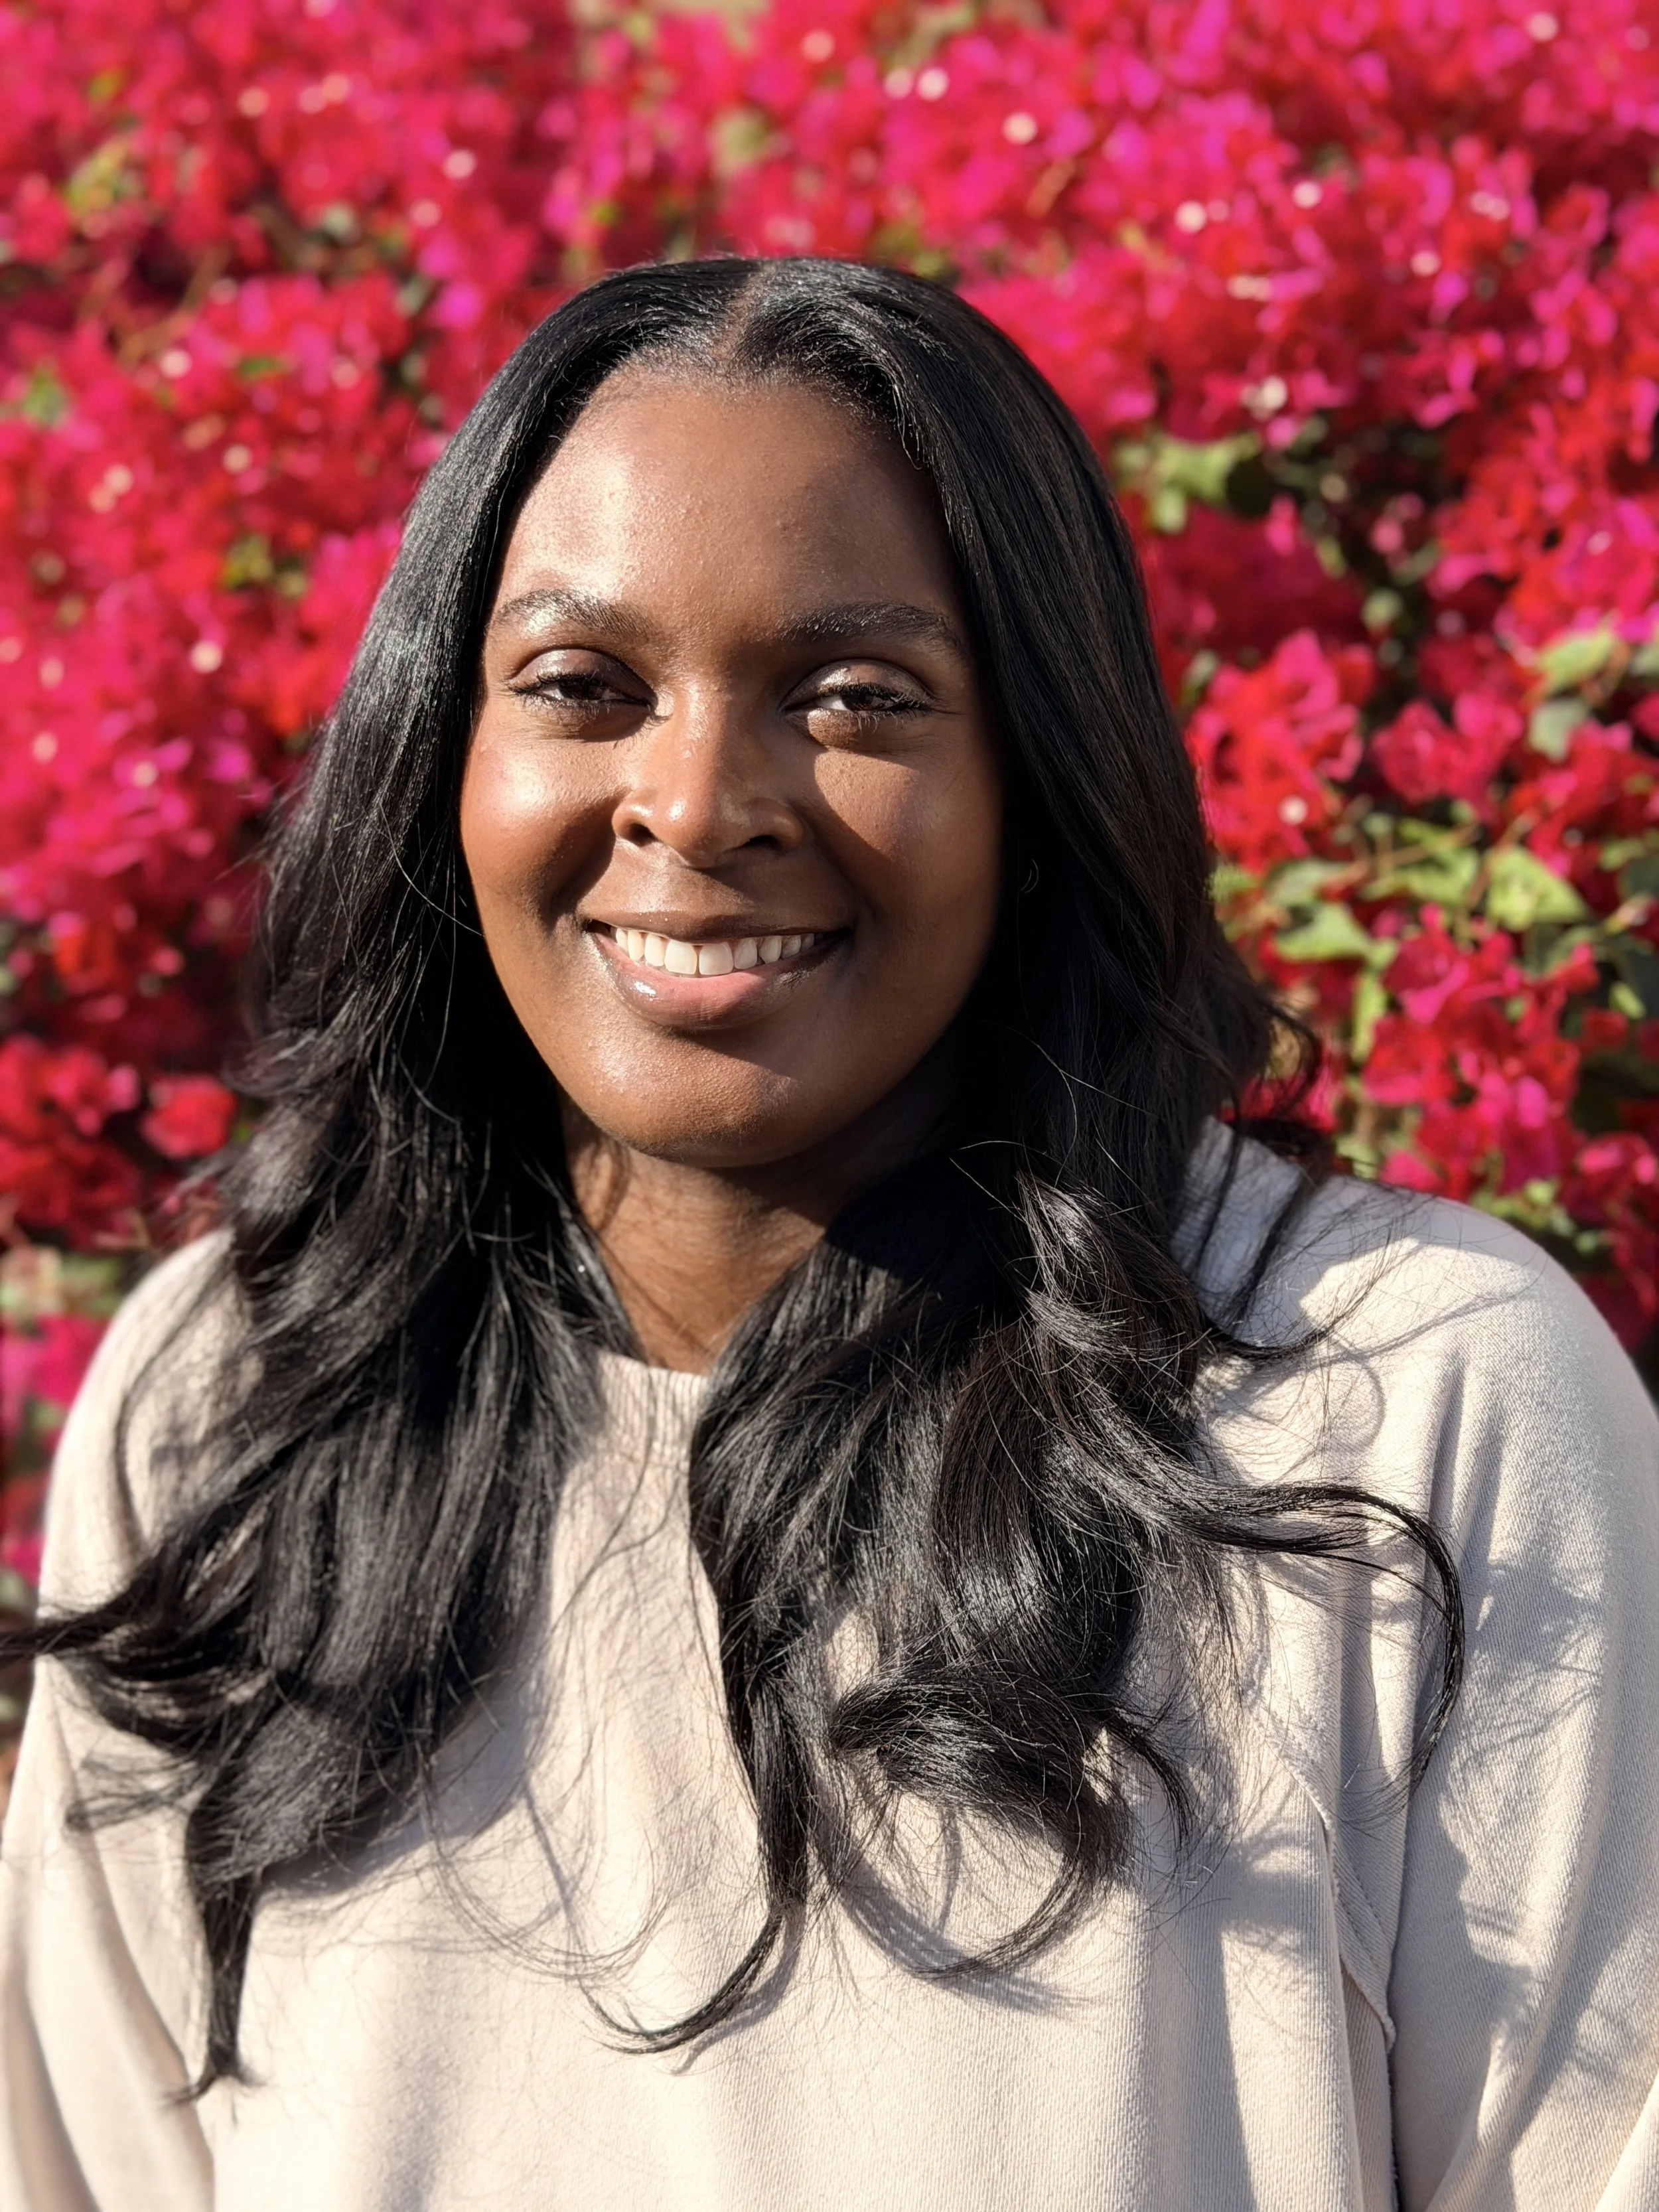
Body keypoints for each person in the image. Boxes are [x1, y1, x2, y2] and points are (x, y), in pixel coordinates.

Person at [3, 256, 1657, 2212]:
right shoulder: (235, 1402)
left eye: (855, 695)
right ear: (438, 753)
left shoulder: (1401, 1412)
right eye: (579, 688)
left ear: (1033, 773)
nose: (695, 803)